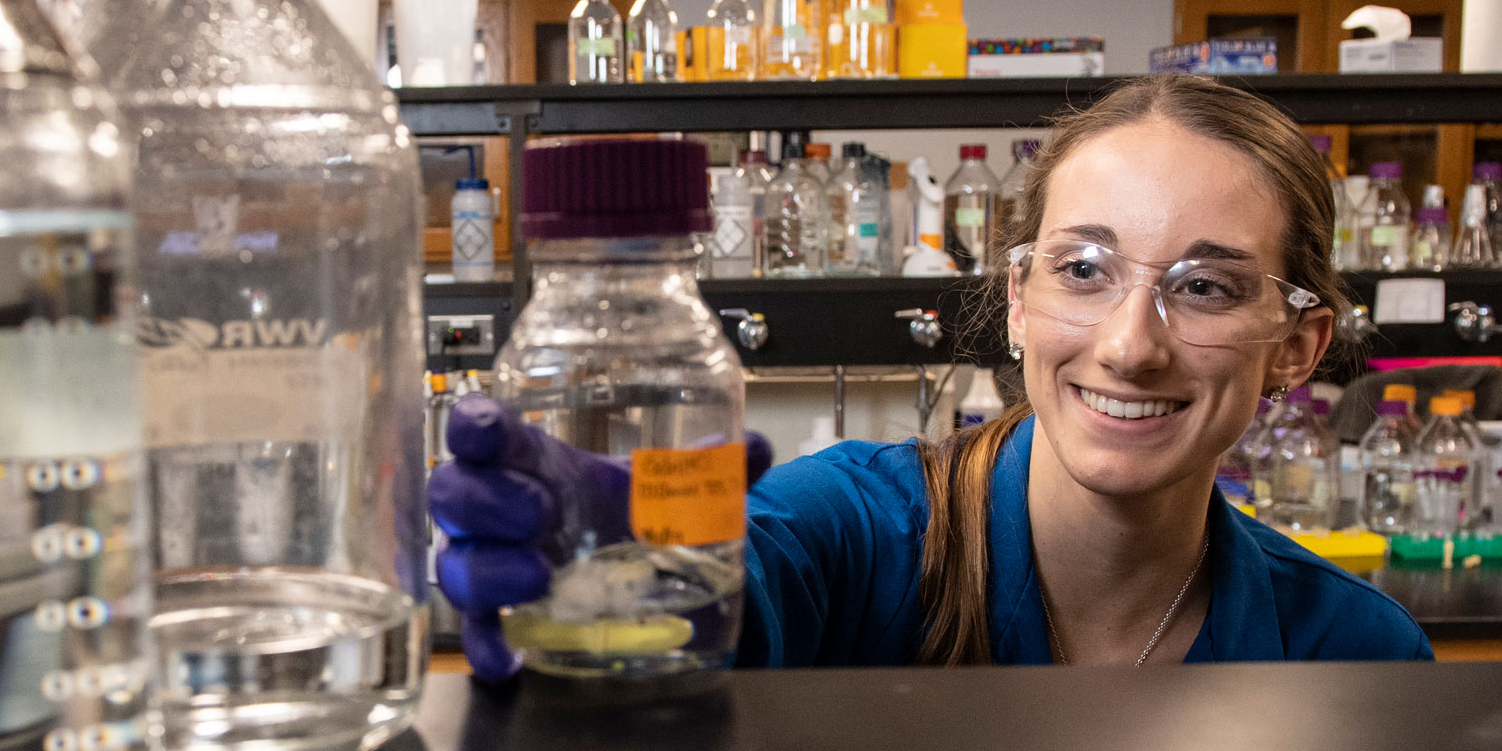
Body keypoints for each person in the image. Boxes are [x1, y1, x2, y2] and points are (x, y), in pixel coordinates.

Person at [435, 76, 1431, 668]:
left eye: (1207, 286)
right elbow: (750, 594)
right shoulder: (857, 528)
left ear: (1297, 346)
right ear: (1017, 299)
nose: (1132, 342)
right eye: (1082, 269)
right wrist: (633, 575)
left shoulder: (1354, 652)